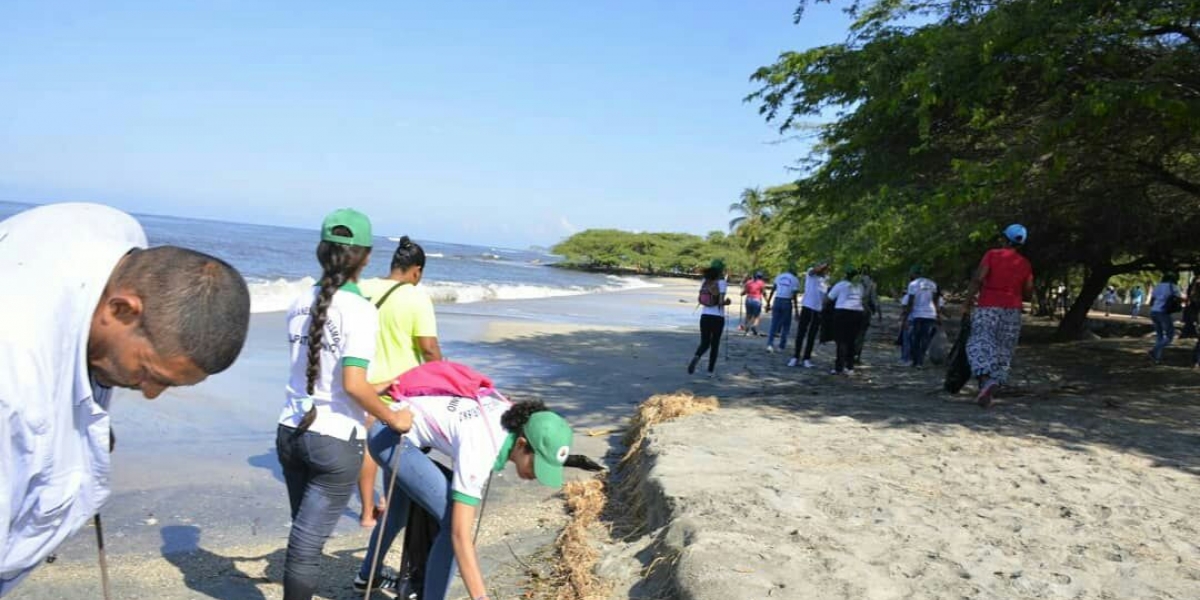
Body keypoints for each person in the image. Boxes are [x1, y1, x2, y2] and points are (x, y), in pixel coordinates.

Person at [0, 203, 252, 594]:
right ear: (120, 309)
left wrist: (88, 420)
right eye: (149, 373)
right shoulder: (15, 383)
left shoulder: (119, 238)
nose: (150, 394)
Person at [276, 208, 413, 600]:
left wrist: (380, 386)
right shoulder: (361, 311)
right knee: (306, 547)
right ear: (366, 257)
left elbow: (324, 374)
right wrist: (393, 417)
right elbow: (352, 385)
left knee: (301, 533)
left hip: (290, 429)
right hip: (334, 438)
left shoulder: (299, 300)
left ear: (321, 251)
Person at [356, 361, 574, 600]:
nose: (535, 476)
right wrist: (481, 597)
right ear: (521, 444)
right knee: (452, 522)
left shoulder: (509, 416)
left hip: (395, 429)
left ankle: (367, 578)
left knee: (396, 514)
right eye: (536, 465)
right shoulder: (482, 447)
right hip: (392, 436)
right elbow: (460, 535)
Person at [356, 236, 444, 528]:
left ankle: (367, 512)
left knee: (367, 447)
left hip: (360, 379)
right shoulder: (416, 296)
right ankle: (389, 504)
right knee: (392, 444)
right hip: (399, 386)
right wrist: (443, 378)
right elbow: (428, 347)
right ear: (416, 271)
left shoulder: (363, 287)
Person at [964, 224, 1034, 408]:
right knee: (1004, 348)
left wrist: (967, 302)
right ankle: (989, 387)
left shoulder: (992, 255)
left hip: (988, 306)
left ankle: (986, 381)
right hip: (1013, 310)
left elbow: (978, 278)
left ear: (1004, 239)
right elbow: (1028, 293)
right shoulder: (1025, 264)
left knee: (979, 342)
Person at [688, 260, 731, 378]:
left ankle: (697, 356)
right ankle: (710, 371)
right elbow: (721, 302)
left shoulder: (704, 281)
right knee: (715, 344)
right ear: (721, 270)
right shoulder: (722, 282)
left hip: (705, 316)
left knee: (705, 342)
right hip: (717, 318)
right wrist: (727, 302)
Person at [825, 267, 867, 375]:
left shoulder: (841, 284)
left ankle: (839, 367)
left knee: (841, 341)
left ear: (846, 275)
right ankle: (850, 367)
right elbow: (862, 299)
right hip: (857, 313)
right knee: (851, 341)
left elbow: (828, 298)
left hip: (842, 312)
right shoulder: (860, 286)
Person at [787, 261, 829, 368]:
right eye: (822, 268)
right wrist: (825, 263)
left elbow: (825, 295)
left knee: (812, 335)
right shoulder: (811, 273)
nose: (824, 270)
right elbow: (815, 270)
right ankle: (795, 357)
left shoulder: (826, 279)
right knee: (801, 333)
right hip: (807, 306)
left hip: (818, 310)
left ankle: (807, 358)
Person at [901, 266, 941, 368]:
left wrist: (905, 318)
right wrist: (938, 315)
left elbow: (911, 302)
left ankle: (915, 360)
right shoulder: (932, 284)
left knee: (914, 338)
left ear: (914, 274)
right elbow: (935, 301)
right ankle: (920, 361)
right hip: (930, 314)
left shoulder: (913, 284)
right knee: (925, 338)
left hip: (917, 314)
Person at [1148, 271, 1182, 365]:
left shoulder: (1158, 286)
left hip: (1153, 312)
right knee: (1170, 336)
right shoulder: (1173, 287)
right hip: (1163, 312)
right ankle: (1154, 350)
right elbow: (1178, 298)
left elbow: (1152, 301)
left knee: (1159, 336)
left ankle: (1156, 359)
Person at [765, 265, 801, 352]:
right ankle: (781, 346)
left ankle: (770, 344)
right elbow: (794, 295)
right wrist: (796, 310)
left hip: (777, 299)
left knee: (774, 323)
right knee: (786, 325)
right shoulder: (795, 279)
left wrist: (768, 303)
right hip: (787, 301)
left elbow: (773, 290)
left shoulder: (779, 276)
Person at [852, 264, 882, 366]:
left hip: (852, 309)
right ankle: (856, 356)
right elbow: (874, 299)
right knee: (861, 334)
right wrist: (879, 312)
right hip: (865, 310)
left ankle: (848, 355)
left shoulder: (853, 281)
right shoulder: (872, 283)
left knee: (852, 333)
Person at [741, 271, 766, 336]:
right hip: (757, 300)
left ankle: (746, 331)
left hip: (748, 299)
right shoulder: (761, 283)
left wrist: (742, 293)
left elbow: (744, 292)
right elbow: (764, 293)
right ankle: (754, 326)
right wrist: (767, 301)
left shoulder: (749, 282)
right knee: (757, 316)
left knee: (748, 315)